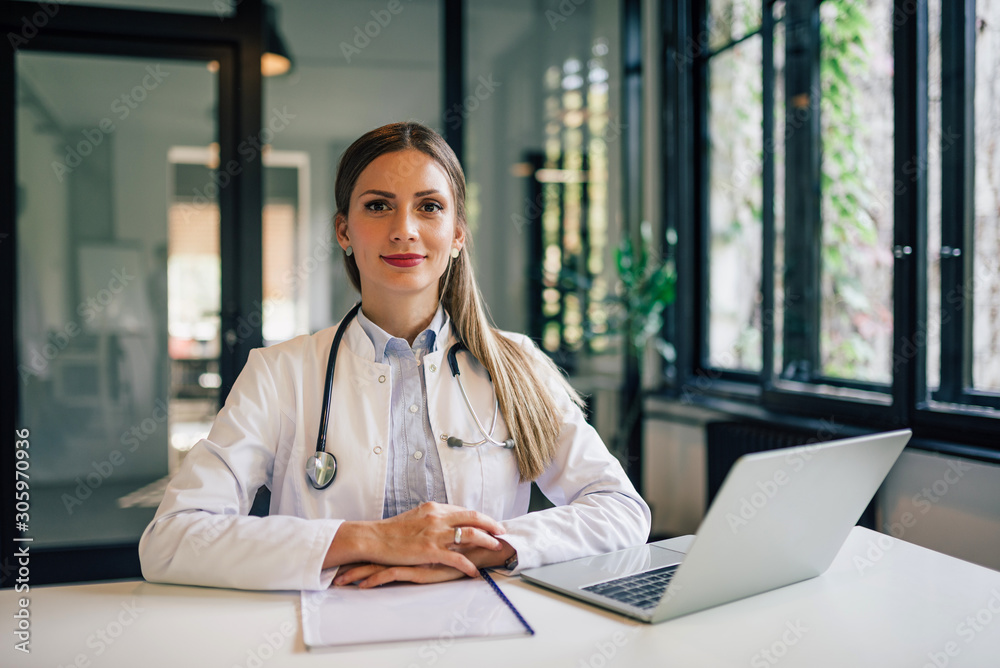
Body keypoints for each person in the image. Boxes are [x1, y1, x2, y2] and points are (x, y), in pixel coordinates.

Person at [138, 122, 650, 591]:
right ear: (344, 232)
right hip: (331, 637)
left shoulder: (517, 363)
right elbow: (173, 540)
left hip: (483, 630)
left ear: (456, 235)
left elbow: (622, 510)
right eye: (378, 206)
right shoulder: (279, 374)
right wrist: (372, 539)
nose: (404, 228)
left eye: (429, 206)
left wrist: (488, 546)